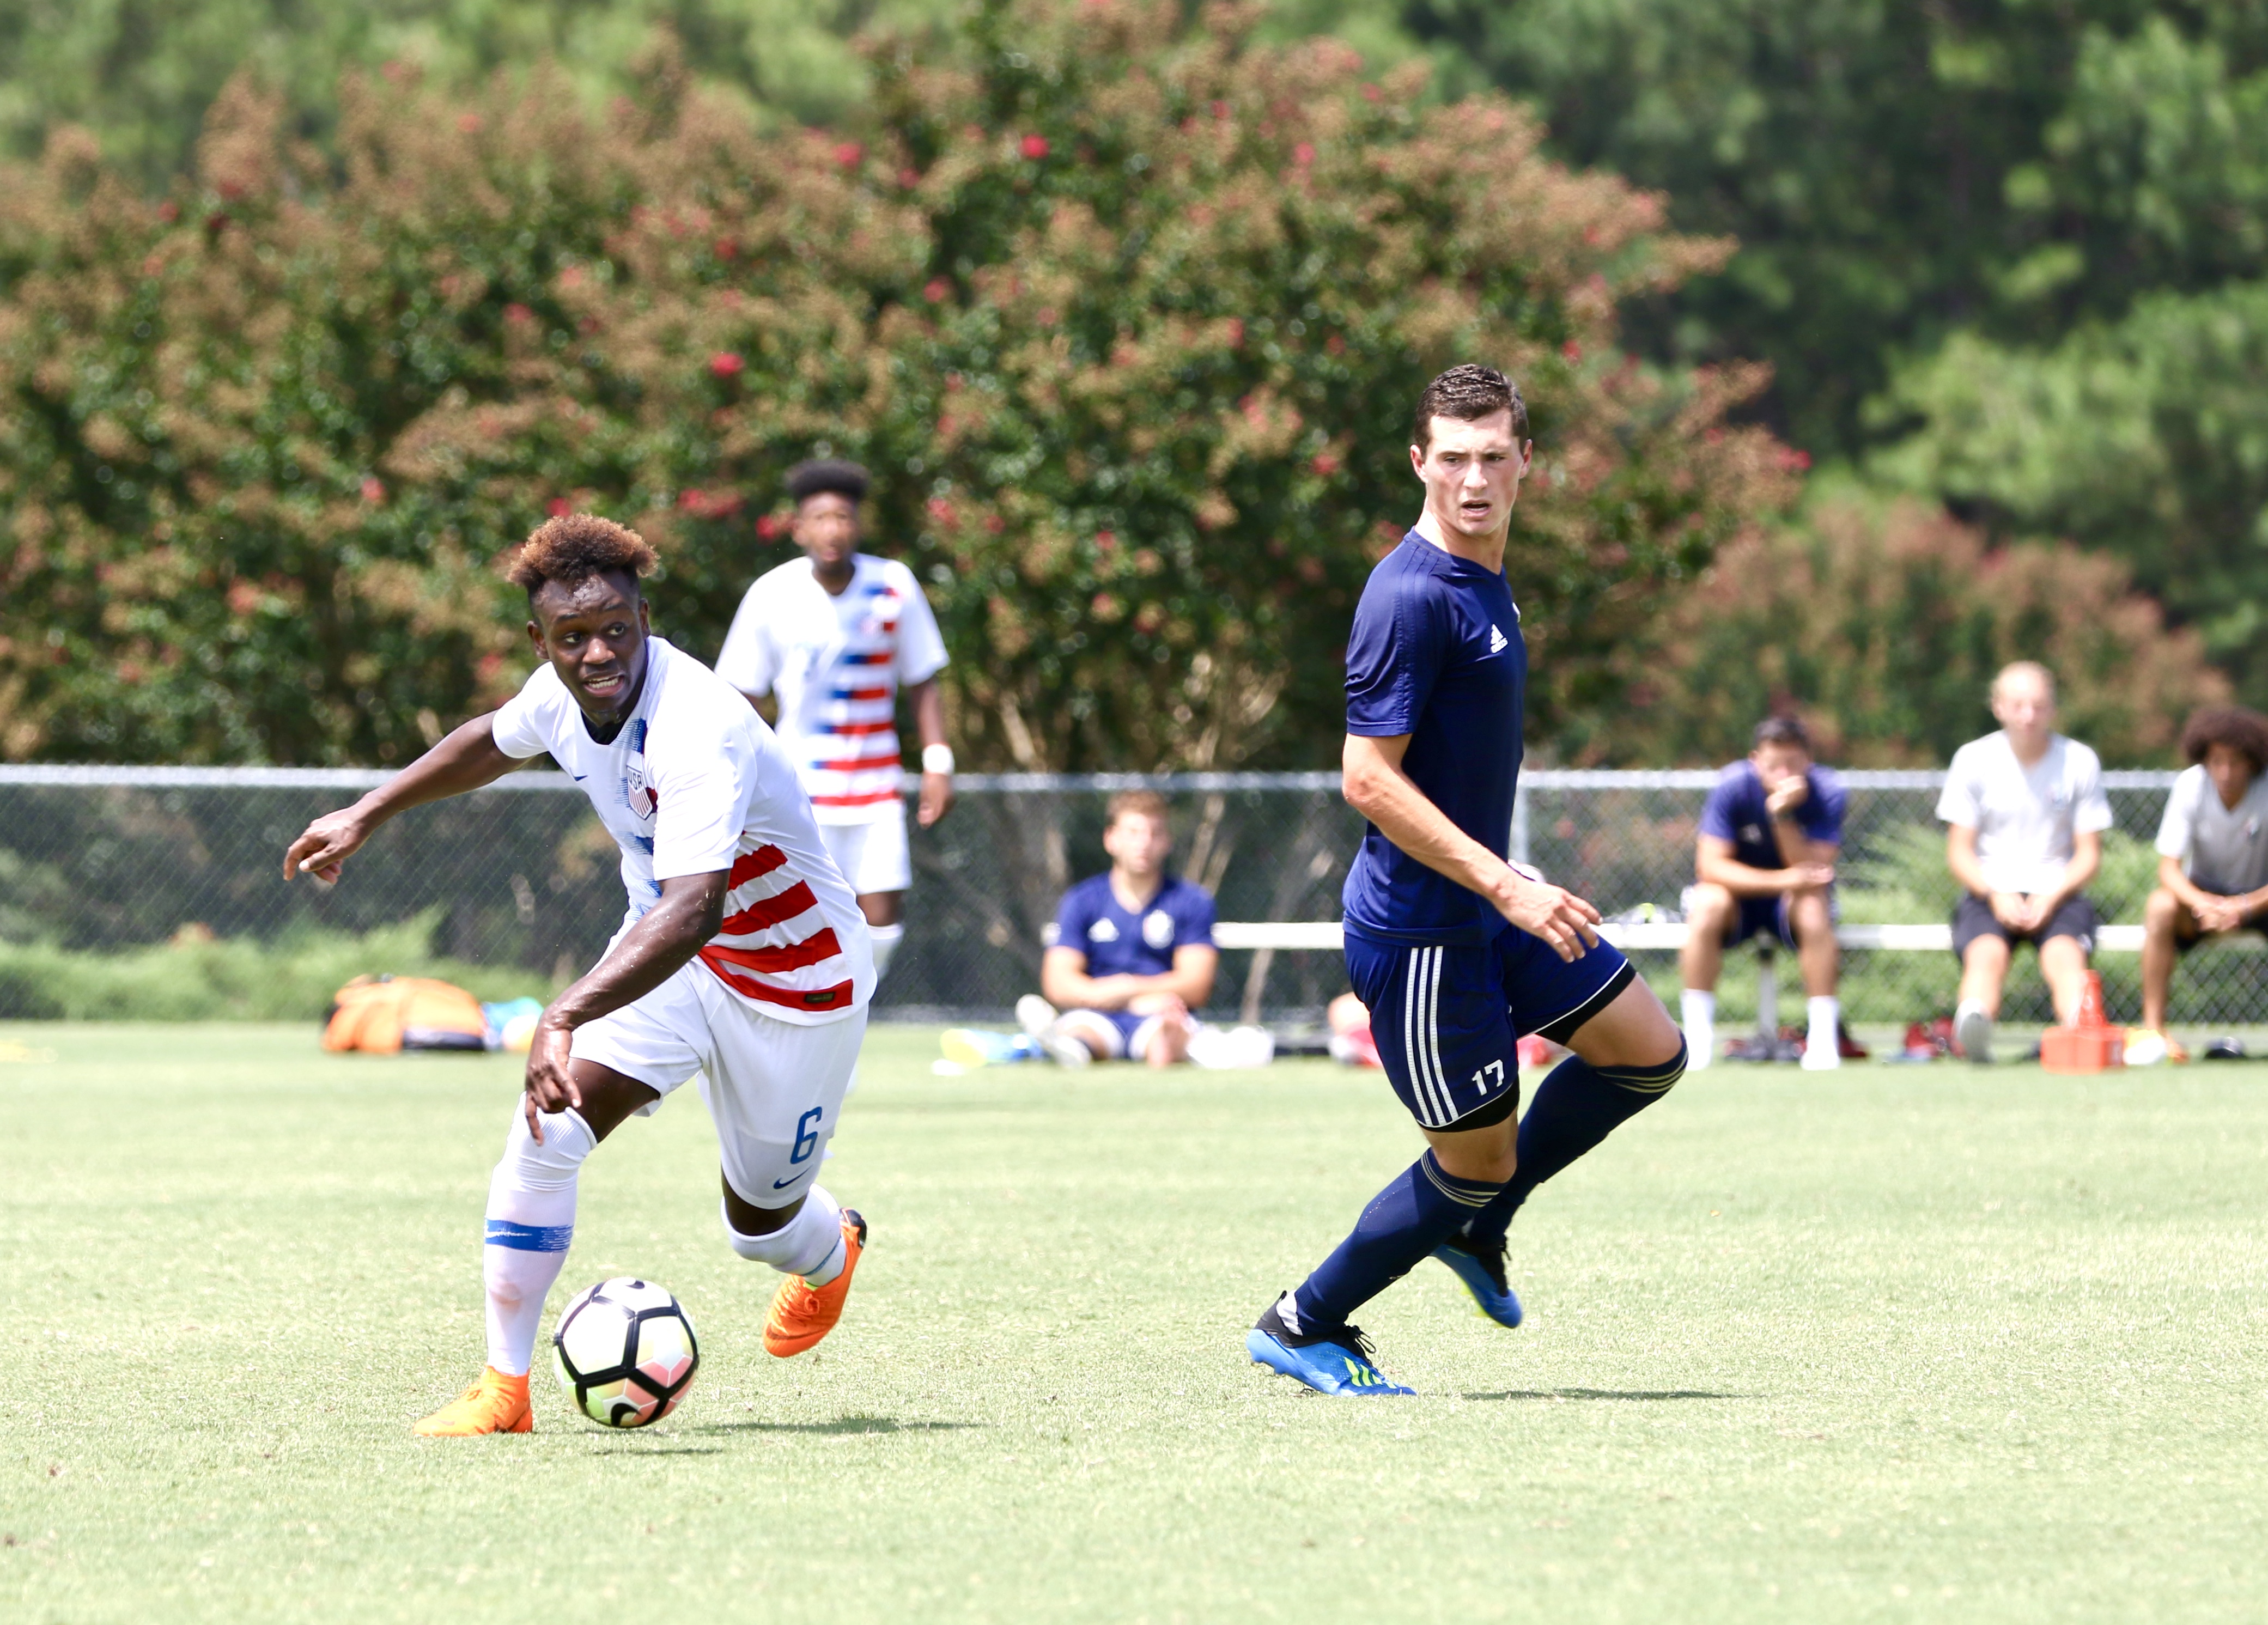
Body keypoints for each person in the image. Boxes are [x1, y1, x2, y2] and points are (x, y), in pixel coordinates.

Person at [284, 514, 875, 1436]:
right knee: (544, 1129)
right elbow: (492, 736)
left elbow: (696, 907)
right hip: (673, 965)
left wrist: (559, 1011)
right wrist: (367, 811)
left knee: (759, 1226)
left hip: (799, 985)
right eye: (571, 637)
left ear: (646, 618)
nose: (597, 652)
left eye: (616, 631)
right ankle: (503, 1388)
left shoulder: (701, 725)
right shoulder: (561, 694)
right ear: (540, 641)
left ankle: (828, 1249)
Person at [1244, 363, 1687, 1397]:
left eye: (1493, 455)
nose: (1473, 478)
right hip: (1425, 939)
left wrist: (1505, 887)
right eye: (1451, 457)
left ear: (1527, 461)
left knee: (1646, 1054)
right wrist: (1507, 885)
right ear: (1418, 462)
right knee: (1470, 1163)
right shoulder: (1409, 594)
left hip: (1489, 906)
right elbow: (1365, 776)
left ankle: (1478, 1225)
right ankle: (1303, 1318)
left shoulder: (1485, 577)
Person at [715, 459, 953, 984]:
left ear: (858, 525)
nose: (833, 529)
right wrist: (743, 774)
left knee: (881, 922)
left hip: (876, 787)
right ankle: (808, 1016)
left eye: (843, 517)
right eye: (820, 517)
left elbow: (923, 681)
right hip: (800, 790)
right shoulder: (771, 593)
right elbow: (740, 695)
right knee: (800, 915)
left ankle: (854, 1010)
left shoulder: (894, 584)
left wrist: (938, 762)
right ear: (799, 528)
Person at [1937, 661, 2111, 1063]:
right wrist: (1994, 894)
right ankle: (1974, 1031)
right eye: (2017, 705)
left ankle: (2077, 1030)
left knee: (2064, 955)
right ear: (1998, 706)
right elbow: (1958, 851)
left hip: (2059, 891)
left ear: (2052, 708)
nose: (2028, 715)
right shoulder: (1972, 759)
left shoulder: (2079, 761)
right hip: (1989, 889)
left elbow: (2089, 854)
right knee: (1985, 954)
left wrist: (2051, 896)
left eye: (2038, 705)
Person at [1680, 716, 1848, 1071]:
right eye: (1774, 765)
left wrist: (1781, 815)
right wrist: (1784, 880)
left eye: (1793, 764)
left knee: (1812, 907)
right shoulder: (1732, 785)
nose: (1783, 773)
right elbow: (1709, 866)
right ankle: (1695, 1042)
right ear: (1755, 759)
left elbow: (1812, 872)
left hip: (1794, 905)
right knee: (1707, 902)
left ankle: (1822, 1040)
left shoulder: (1829, 790)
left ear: (1809, 760)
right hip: (1737, 901)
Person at [1017, 790, 1221, 1067]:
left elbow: (1197, 984)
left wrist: (1131, 990)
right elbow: (1058, 982)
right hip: (1096, 1013)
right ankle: (1070, 1047)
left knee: (1169, 1033)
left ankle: (1166, 1046)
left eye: (1154, 833)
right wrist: (1108, 995)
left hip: (1160, 1013)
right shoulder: (1082, 900)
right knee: (1082, 1035)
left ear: (1167, 841)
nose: (1144, 843)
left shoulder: (1192, 901)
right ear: (1110, 839)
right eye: (1133, 832)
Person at [2132, 705, 2268, 1062]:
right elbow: (2168, 869)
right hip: (2202, 900)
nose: (2224, 771)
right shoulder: (2190, 784)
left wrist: (2243, 906)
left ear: (2253, 762)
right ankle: (2153, 1032)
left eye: (2235, 762)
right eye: (2216, 761)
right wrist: (2204, 903)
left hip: (2259, 898)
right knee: (2159, 906)